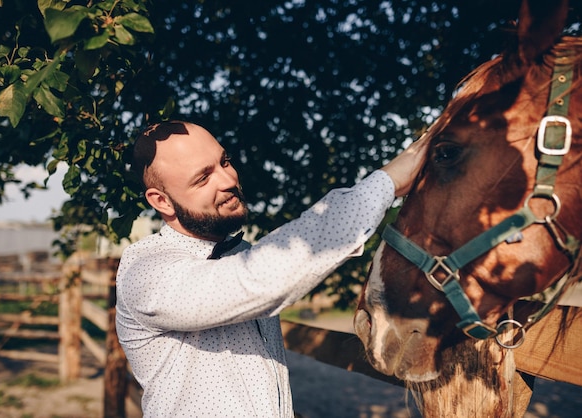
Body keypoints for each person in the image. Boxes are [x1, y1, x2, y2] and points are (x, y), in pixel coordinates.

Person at [115, 120, 427, 417]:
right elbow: (259, 279)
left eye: (224, 162)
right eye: (202, 178)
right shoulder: (145, 273)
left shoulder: (241, 253)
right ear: (162, 201)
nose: (228, 181)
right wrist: (387, 183)